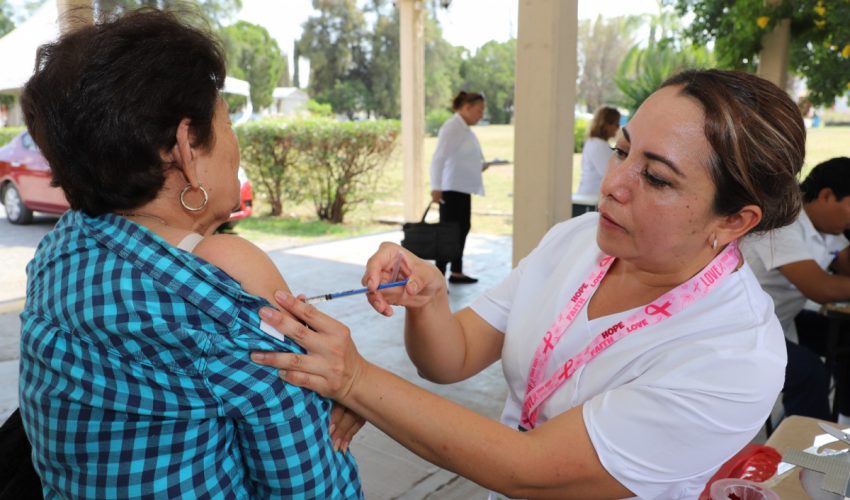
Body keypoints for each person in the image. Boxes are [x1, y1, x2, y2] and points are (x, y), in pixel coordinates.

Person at [251, 69, 804, 498]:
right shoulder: (582, 239)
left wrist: (355, 381)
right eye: (622, 150)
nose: (613, 185)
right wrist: (431, 299)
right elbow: (452, 358)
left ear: (734, 221)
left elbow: (529, 469)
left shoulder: (734, 353)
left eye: (656, 178)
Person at [17, 9, 362, 498]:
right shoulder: (228, 270)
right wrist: (351, 390)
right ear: (184, 148)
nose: (236, 145)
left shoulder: (58, 253)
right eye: (226, 122)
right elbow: (310, 481)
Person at [741, 157, 850, 423]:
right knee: (810, 372)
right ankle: (806, 452)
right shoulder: (781, 223)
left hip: (779, 322)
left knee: (847, 336)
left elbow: (845, 266)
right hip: (740, 329)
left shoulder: (830, 227)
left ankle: (844, 421)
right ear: (826, 196)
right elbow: (821, 288)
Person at [430, 91, 490, 284]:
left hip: (462, 188)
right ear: (466, 108)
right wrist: (436, 186)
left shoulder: (464, 129)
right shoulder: (452, 127)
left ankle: (456, 271)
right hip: (451, 189)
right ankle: (438, 276)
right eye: (479, 110)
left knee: (462, 229)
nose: (481, 115)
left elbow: (460, 158)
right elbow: (438, 158)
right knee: (449, 233)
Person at [576, 106, 621, 196]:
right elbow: (610, 174)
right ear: (606, 124)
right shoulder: (598, 145)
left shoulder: (595, 143)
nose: (618, 128)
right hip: (591, 198)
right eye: (616, 124)